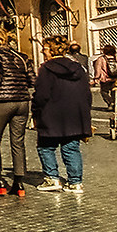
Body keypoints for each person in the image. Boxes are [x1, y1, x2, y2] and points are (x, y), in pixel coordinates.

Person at [30, 35, 92, 194]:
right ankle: (75, 182)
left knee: (45, 147)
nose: (43, 50)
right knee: (71, 148)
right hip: (74, 114)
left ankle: (52, 178)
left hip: (51, 114)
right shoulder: (78, 68)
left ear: (51, 50)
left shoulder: (46, 68)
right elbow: (87, 93)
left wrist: (35, 112)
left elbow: (41, 94)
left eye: (45, 48)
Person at [0, 30, 35, 196]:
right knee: (18, 142)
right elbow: (32, 80)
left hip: (2, 101)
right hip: (22, 101)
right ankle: (19, 183)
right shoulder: (22, 56)